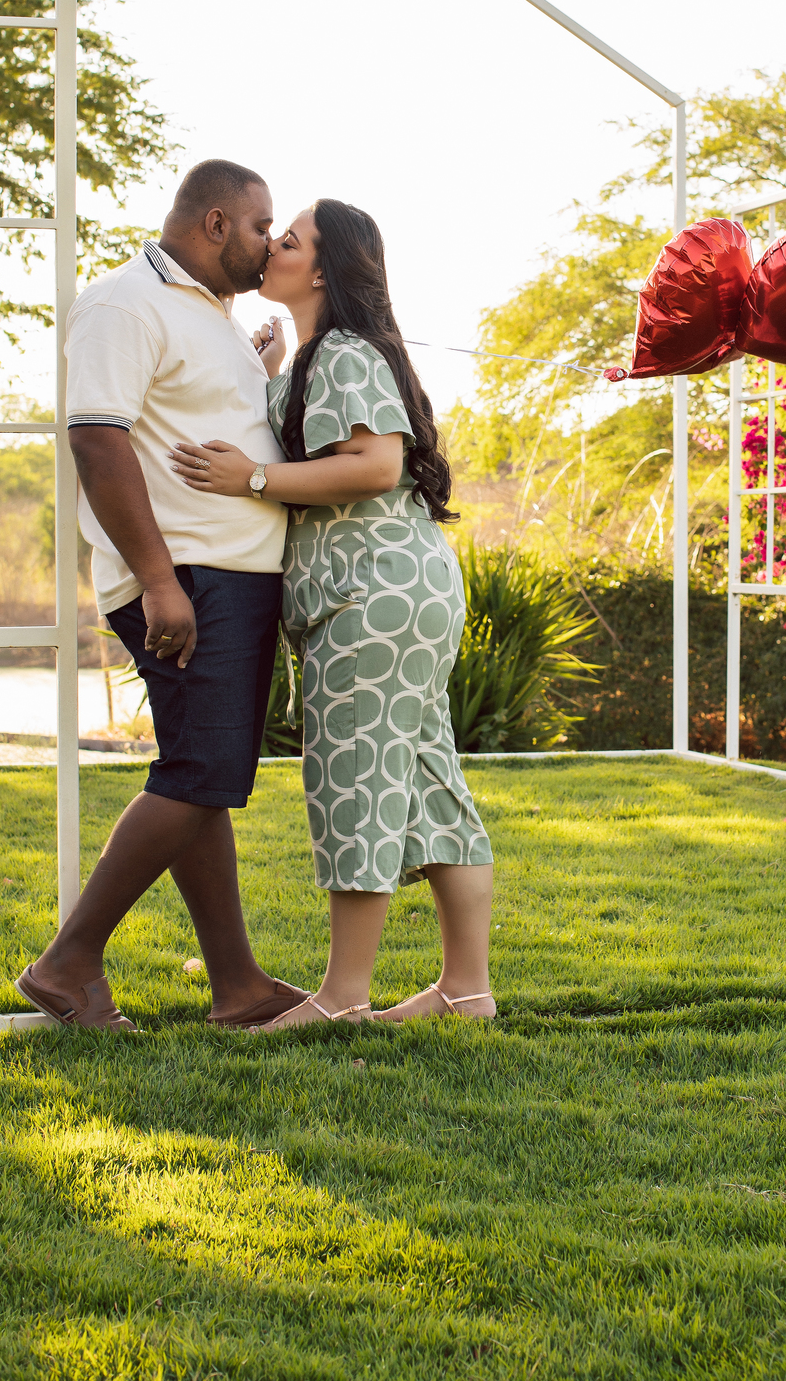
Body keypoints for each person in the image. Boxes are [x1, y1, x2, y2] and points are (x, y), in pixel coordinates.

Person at [168, 198, 495, 1027]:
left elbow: (375, 465)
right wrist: (273, 369)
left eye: (288, 239)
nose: (270, 246)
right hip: (398, 589)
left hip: (370, 596)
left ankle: (344, 997)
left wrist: (250, 477)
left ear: (320, 268)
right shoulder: (327, 355)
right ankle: (466, 992)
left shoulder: (344, 353)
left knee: (356, 778)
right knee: (423, 779)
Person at [15, 159, 310, 1032]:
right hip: (187, 579)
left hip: (221, 575)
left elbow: (188, 421)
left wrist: (260, 367)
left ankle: (239, 987)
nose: (269, 246)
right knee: (198, 775)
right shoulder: (122, 302)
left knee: (202, 779)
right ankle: (68, 964)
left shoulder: (212, 315)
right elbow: (98, 441)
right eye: (261, 228)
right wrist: (155, 581)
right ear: (216, 224)